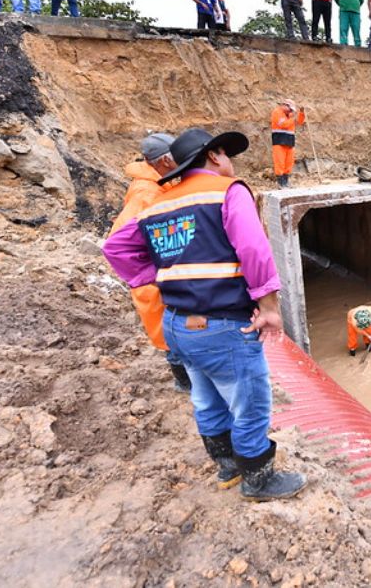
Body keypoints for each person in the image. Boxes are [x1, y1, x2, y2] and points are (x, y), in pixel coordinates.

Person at [102, 127, 308, 502]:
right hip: (223, 325)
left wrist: (161, 276)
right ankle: (258, 480)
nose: (230, 162)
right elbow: (254, 248)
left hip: (178, 325)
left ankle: (227, 467)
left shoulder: (159, 204)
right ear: (214, 156)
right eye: (228, 154)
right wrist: (270, 308)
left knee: (207, 398)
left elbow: (115, 247)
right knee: (250, 403)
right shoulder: (227, 192)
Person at [107, 134, 192, 394]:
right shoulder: (146, 193)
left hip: (160, 276)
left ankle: (186, 381)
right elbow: (115, 246)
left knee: (174, 334)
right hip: (155, 282)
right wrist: (151, 274)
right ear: (166, 160)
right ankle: (185, 384)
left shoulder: (156, 184)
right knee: (173, 339)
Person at [270, 99, 306, 188]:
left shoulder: (289, 115)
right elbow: (284, 124)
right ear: (284, 105)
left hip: (289, 141)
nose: (291, 111)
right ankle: (280, 183)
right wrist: (292, 118)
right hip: (279, 141)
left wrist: (301, 113)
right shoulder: (277, 112)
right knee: (280, 163)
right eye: (290, 109)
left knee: (288, 163)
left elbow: (300, 122)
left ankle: (286, 182)